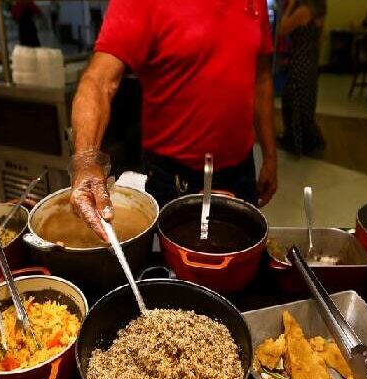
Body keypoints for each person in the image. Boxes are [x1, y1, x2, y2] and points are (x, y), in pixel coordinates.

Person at [69, 0, 278, 240]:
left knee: (242, 262)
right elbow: (98, 80)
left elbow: (261, 78)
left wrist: (270, 157)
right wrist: (85, 161)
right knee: (171, 271)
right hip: (174, 179)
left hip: (241, 172)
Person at [278, 0, 327, 157]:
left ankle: (295, 142)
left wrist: (291, 5)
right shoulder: (318, 10)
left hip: (300, 60)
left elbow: (281, 30)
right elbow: (320, 38)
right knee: (304, 101)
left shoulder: (303, 11)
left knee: (293, 99)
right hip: (311, 60)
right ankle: (307, 141)